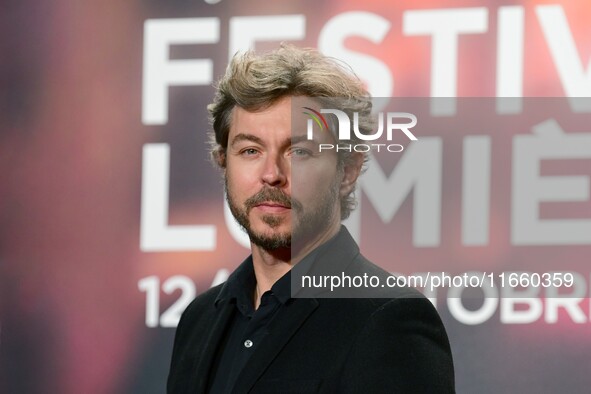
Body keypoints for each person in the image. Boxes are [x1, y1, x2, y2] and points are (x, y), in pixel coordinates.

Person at [167, 45, 455, 394]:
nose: (271, 174)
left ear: (347, 171)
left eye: (299, 151)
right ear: (223, 162)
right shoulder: (199, 319)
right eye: (250, 151)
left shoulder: (388, 319)